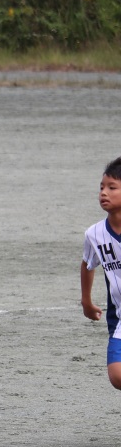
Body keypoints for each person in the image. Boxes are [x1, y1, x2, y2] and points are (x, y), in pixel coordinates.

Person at [80, 156, 121, 392]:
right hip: (119, 317)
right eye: (102, 187)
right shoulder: (94, 234)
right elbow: (88, 263)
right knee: (117, 376)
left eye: (112, 187)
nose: (104, 193)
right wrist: (86, 301)